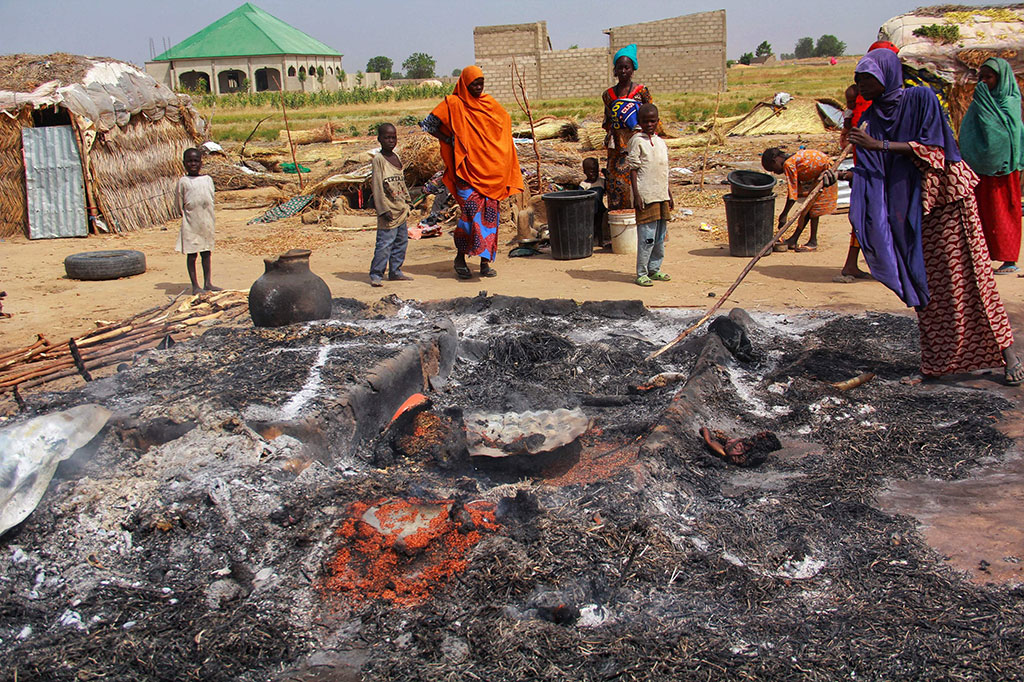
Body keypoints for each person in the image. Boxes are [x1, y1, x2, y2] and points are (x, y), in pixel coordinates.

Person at [847, 48, 1023, 385]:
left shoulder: (921, 99)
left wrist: (878, 146)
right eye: (857, 79)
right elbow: (877, 169)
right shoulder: (874, 118)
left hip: (947, 200)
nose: (861, 86)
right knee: (927, 287)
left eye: (866, 79)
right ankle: (936, 365)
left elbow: (936, 149)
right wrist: (842, 175)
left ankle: (1008, 353)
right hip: (914, 209)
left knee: (970, 279)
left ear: (886, 76)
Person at [420, 66, 523, 279]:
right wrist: (449, 139)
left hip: (491, 171)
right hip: (466, 171)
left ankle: (485, 262)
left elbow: (504, 123)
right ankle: (460, 258)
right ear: (464, 84)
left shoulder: (490, 104)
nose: (478, 87)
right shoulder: (454, 104)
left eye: (480, 84)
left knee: (490, 218)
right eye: (474, 84)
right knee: (470, 215)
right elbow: (429, 125)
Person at [838, 40, 901, 279]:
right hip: (872, 167)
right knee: (871, 214)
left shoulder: (909, 101)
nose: (862, 84)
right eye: (860, 79)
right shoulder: (869, 101)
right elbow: (857, 128)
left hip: (882, 165)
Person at [958, 57, 1024, 274]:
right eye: (981, 78)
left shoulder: (1009, 101)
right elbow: (969, 131)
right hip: (980, 166)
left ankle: (1008, 259)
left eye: (989, 77)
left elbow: (1005, 135)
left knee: (1003, 212)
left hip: (1003, 169)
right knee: (980, 212)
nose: (984, 82)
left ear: (1001, 78)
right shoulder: (981, 101)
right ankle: (980, 257)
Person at [602, 44, 661, 211]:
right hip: (617, 148)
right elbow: (607, 121)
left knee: (642, 178)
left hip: (638, 142)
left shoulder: (641, 91)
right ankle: (619, 221)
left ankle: (645, 217)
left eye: (626, 67)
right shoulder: (608, 95)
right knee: (617, 183)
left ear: (633, 69)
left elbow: (652, 115)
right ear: (615, 70)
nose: (623, 71)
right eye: (619, 67)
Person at [626, 103, 673, 287]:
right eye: (645, 121)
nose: (650, 125)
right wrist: (636, 195)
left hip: (661, 194)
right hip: (645, 195)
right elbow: (633, 170)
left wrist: (669, 193)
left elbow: (664, 171)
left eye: (653, 121)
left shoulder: (661, 142)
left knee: (660, 236)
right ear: (639, 122)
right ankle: (642, 272)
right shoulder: (637, 141)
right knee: (647, 236)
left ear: (658, 121)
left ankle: (655, 269)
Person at [761, 147, 837, 252]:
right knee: (807, 210)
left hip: (827, 174)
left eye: (773, 169)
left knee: (813, 211)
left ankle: (812, 242)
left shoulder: (788, 164)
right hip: (821, 174)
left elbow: (792, 195)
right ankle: (794, 239)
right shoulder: (792, 160)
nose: (776, 172)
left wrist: (784, 214)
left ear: (775, 161)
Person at [369, 123, 413, 287]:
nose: (390, 141)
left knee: (401, 242)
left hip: (400, 209)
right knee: (385, 244)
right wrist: (382, 209)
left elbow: (401, 183)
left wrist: (408, 202)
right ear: (379, 139)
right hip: (388, 210)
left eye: (393, 137)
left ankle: (395, 271)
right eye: (386, 138)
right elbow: (377, 186)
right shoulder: (379, 160)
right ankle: (376, 273)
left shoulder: (396, 158)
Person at [174, 148, 219, 295]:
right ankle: (195, 285)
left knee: (206, 252)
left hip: (207, 222)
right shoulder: (183, 182)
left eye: (196, 161)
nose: (193, 164)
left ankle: (208, 283)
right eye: (189, 161)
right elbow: (179, 204)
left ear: (201, 163)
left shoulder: (207, 180)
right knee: (192, 254)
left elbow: (211, 199)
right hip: (191, 223)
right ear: (184, 163)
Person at [579, 157, 607, 245]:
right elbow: (580, 197)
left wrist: (604, 172)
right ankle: (590, 241)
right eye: (590, 171)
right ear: (584, 172)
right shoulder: (584, 185)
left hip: (599, 208)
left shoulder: (601, 182)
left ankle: (600, 241)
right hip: (588, 210)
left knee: (599, 225)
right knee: (590, 226)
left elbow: (610, 183)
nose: (593, 174)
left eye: (595, 171)